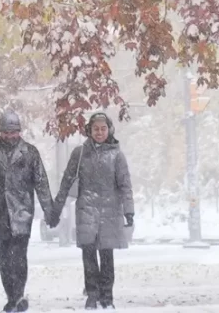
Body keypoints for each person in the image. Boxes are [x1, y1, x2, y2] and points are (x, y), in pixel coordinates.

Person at [0, 110, 58, 312]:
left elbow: (41, 183)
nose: (10, 136)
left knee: (19, 257)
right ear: (0, 132)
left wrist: (49, 211)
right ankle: (12, 296)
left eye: (13, 132)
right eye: (6, 132)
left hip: (21, 211)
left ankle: (18, 296)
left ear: (19, 131)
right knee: (4, 258)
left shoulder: (30, 152)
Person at [51, 112, 134, 310]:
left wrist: (129, 211)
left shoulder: (117, 155)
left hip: (110, 212)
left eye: (103, 129)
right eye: (96, 129)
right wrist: (56, 207)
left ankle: (107, 296)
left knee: (107, 256)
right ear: (89, 130)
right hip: (86, 210)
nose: (99, 132)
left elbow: (125, 185)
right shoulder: (79, 154)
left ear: (109, 130)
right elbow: (67, 181)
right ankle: (92, 294)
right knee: (88, 255)